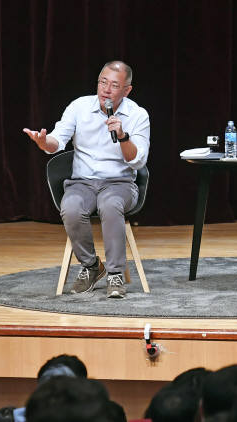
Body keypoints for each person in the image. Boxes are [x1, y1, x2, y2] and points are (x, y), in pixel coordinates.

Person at [24, 60, 150, 299]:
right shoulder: (79, 107)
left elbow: (138, 161)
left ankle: (115, 274)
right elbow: (57, 141)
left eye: (114, 85)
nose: (106, 90)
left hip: (120, 183)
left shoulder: (138, 115)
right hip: (82, 182)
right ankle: (92, 266)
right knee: (70, 207)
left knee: (110, 205)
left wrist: (123, 136)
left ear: (127, 90)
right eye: (103, 82)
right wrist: (44, 143)